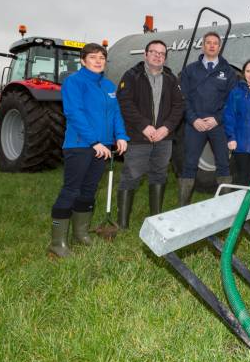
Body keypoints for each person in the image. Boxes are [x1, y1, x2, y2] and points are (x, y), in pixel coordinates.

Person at [49, 43, 128, 257]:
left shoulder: (109, 86)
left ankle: (81, 234)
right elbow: (74, 113)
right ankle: (57, 245)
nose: (98, 61)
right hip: (80, 145)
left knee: (89, 191)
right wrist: (94, 142)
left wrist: (120, 136)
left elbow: (116, 114)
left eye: (102, 57)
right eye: (93, 57)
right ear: (83, 60)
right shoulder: (74, 82)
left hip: (102, 147)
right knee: (71, 190)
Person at [116, 39, 184, 228]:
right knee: (132, 175)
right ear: (145, 54)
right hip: (139, 137)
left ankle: (156, 218)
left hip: (164, 138)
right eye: (154, 52)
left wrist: (166, 128)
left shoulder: (171, 79)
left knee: (160, 174)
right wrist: (144, 126)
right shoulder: (131, 76)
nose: (158, 56)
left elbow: (179, 106)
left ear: (165, 58)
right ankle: (123, 223)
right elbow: (125, 103)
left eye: (162, 53)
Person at [178, 31, 237, 205]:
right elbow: (184, 98)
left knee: (223, 164)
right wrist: (194, 119)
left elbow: (232, 101)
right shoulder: (190, 70)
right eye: (208, 42)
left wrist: (217, 119)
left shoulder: (228, 72)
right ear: (203, 46)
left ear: (219, 47)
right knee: (189, 164)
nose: (211, 45)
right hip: (194, 124)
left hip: (218, 125)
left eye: (215, 43)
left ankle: (225, 207)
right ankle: (183, 207)